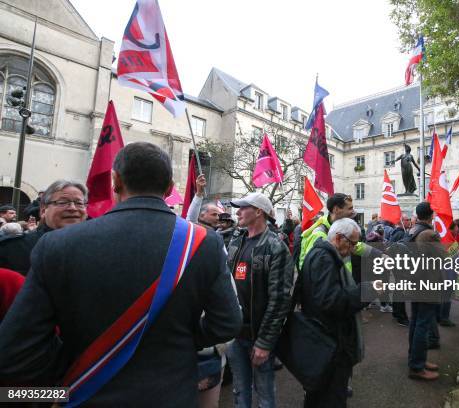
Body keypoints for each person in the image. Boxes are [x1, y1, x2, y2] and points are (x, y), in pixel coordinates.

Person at [0, 142, 242, 406]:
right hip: (170, 393)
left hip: (84, 391)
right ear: (171, 187)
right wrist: (181, 342)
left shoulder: (58, 245)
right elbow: (227, 322)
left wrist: (71, 369)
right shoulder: (205, 243)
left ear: (115, 182)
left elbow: (16, 350)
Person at [226, 192, 294, 408]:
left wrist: (264, 342)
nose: (237, 212)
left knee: (264, 394)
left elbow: (280, 300)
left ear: (258, 212)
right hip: (234, 335)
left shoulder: (276, 247)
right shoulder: (236, 242)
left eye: (243, 207)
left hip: (258, 338)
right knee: (239, 391)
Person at [300, 218, 375, 406]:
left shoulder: (322, 254)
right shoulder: (324, 258)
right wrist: (367, 290)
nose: (353, 248)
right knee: (331, 397)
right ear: (339, 238)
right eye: (352, 243)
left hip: (325, 342)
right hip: (329, 344)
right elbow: (331, 302)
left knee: (319, 396)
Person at [0, 180, 88, 276]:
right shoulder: (11, 248)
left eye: (79, 203)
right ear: (43, 211)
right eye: (62, 202)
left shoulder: (96, 247)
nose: (73, 208)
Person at [407, 202, 445, 380]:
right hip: (427, 283)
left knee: (416, 323)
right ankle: (417, 367)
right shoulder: (429, 233)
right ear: (431, 215)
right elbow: (443, 257)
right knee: (422, 324)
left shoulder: (413, 230)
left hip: (416, 281)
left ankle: (416, 360)